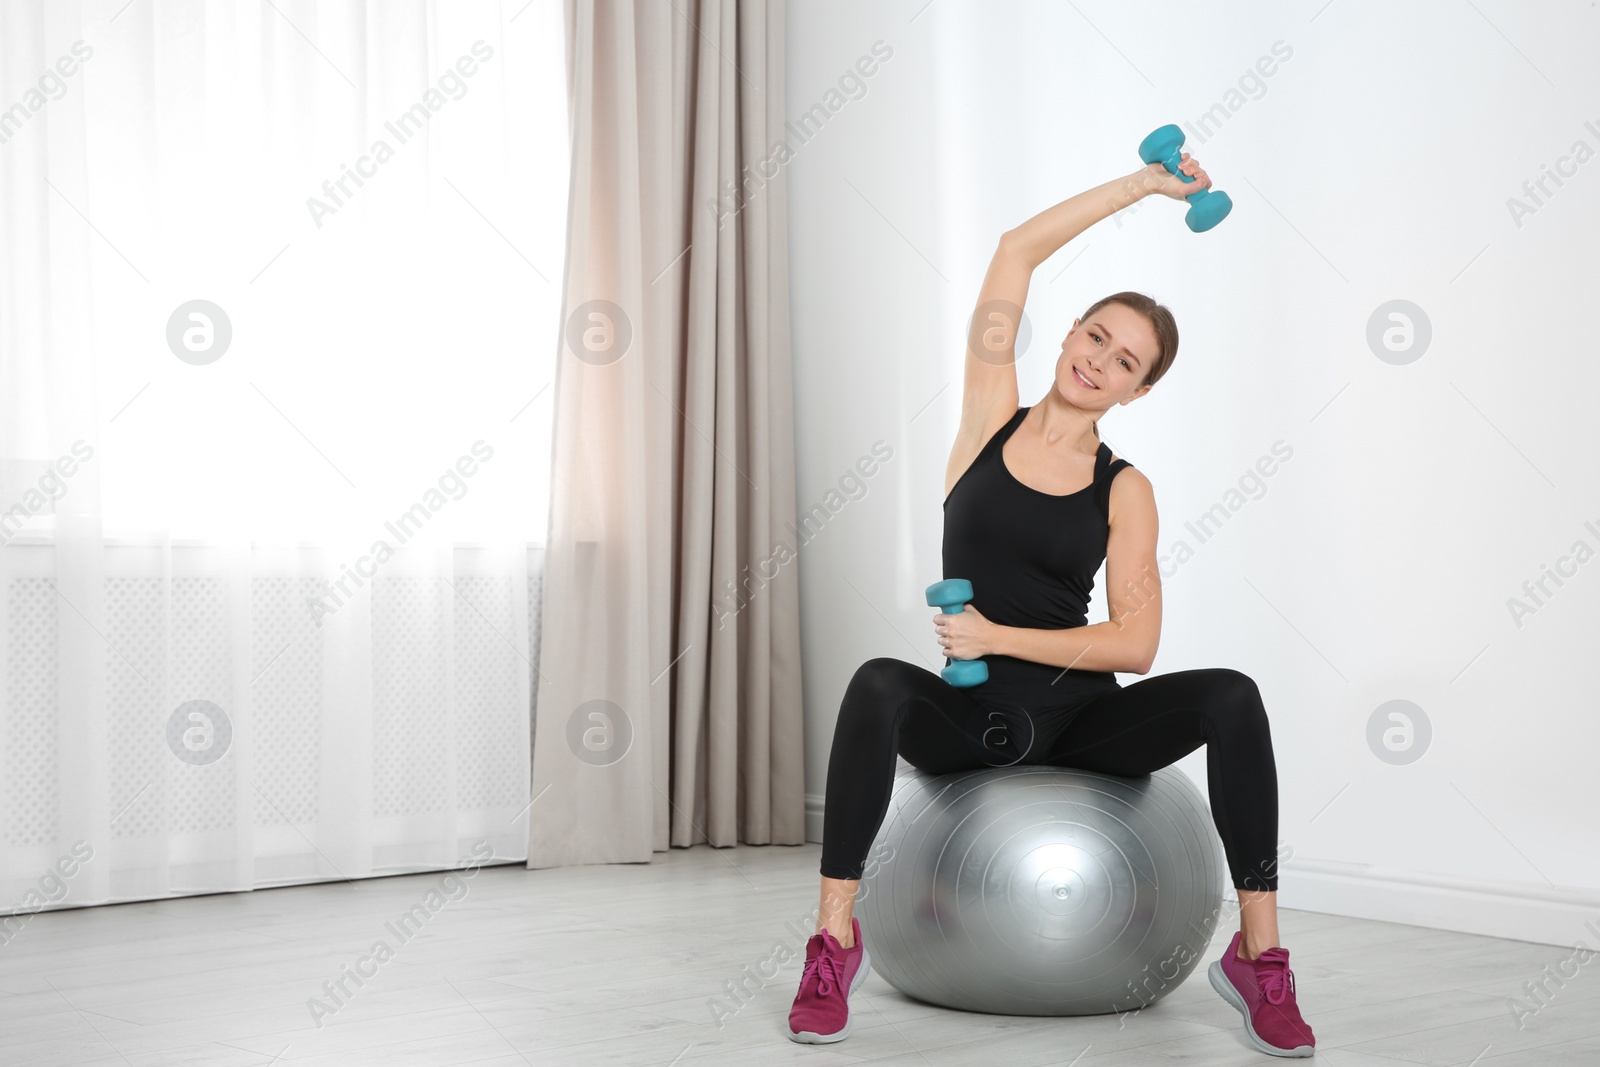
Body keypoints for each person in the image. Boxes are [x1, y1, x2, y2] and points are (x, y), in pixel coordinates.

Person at [787, 151, 1316, 1058]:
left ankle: (1260, 954)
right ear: (1069, 331)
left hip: (1078, 724)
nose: (1099, 360)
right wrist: (1142, 189)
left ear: (1140, 389)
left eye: (1126, 361)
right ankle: (835, 941)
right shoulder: (987, 418)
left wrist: (995, 630)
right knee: (877, 682)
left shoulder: (1126, 488)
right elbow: (1013, 253)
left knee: (1230, 692)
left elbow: (1137, 644)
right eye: (1096, 336)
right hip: (969, 715)